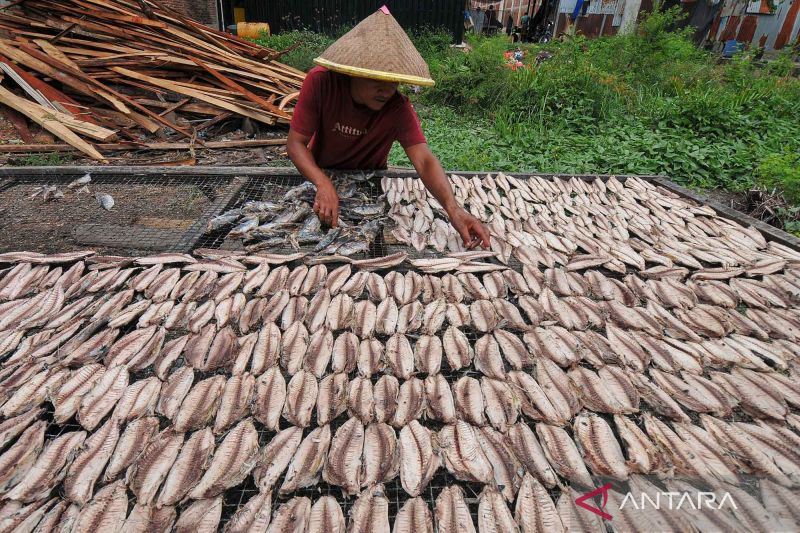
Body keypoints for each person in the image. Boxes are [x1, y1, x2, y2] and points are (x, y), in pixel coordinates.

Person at [287, 7, 491, 250]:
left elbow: (425, 160)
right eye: (377, 81)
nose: (387, 90)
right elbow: (295, 143)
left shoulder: (397, 108)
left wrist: (454, 209)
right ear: (353, 72)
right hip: (322, 173)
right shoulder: (321, 83)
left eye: (393, 81)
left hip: (372, 180)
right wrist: (322, 183)